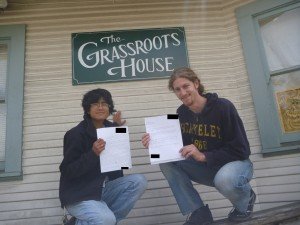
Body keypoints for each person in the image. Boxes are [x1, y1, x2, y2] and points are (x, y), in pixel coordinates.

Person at [142, 67, 256, 225]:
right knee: (167, 162)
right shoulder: (182, 113)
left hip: (236, 165)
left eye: (186, 86)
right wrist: (156, 144)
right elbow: (179, 148)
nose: (182, 93)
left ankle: (245, 201)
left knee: (225, 179)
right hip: (209, 167)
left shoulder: (223, 106)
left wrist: (204, 156)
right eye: (177, 89)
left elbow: (242, 149)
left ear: (196, 84)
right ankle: (198, 212)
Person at [59, 88, 147, 225]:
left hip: (100, 189)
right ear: (87, 109)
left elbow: (116, 163)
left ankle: (101, 221)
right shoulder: (75, 134)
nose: (100, 107)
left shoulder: (111, 131)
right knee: (106, 219)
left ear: (109, 108)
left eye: (104, 104)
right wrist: (92, 154)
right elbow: (67, 171)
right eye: (95, 104)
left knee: (139, 181)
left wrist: (117, 129)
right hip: (79, 194)